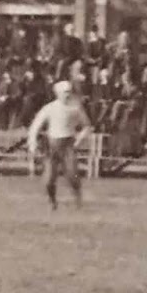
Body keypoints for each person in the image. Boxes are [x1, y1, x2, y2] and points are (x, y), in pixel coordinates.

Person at [27, 79, 90, 210]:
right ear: (58, 93)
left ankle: (78, 200)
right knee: (49, 178)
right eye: (65, 92)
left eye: (69, 92)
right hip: (52, 145)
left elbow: (87, 126)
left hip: (68, 144)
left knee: (72, 175)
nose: (68, 94)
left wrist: (79, 139)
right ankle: (52, 201)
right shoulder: (50, 108)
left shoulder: (75, 107)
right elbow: (35, 126)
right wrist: (32, 144)